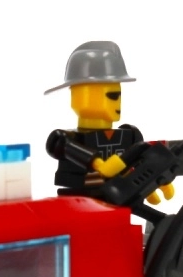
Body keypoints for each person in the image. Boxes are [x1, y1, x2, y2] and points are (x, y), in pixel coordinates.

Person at [44, 41, 174, 206]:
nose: (117, 103)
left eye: (119, 96)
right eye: (112, 96)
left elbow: (138, 163)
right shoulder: (64, 139)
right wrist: (99, 164)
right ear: (78, 98)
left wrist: (153, 183)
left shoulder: (129, 135)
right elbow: (63, 146)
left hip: (117, 198)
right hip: (79, 202)